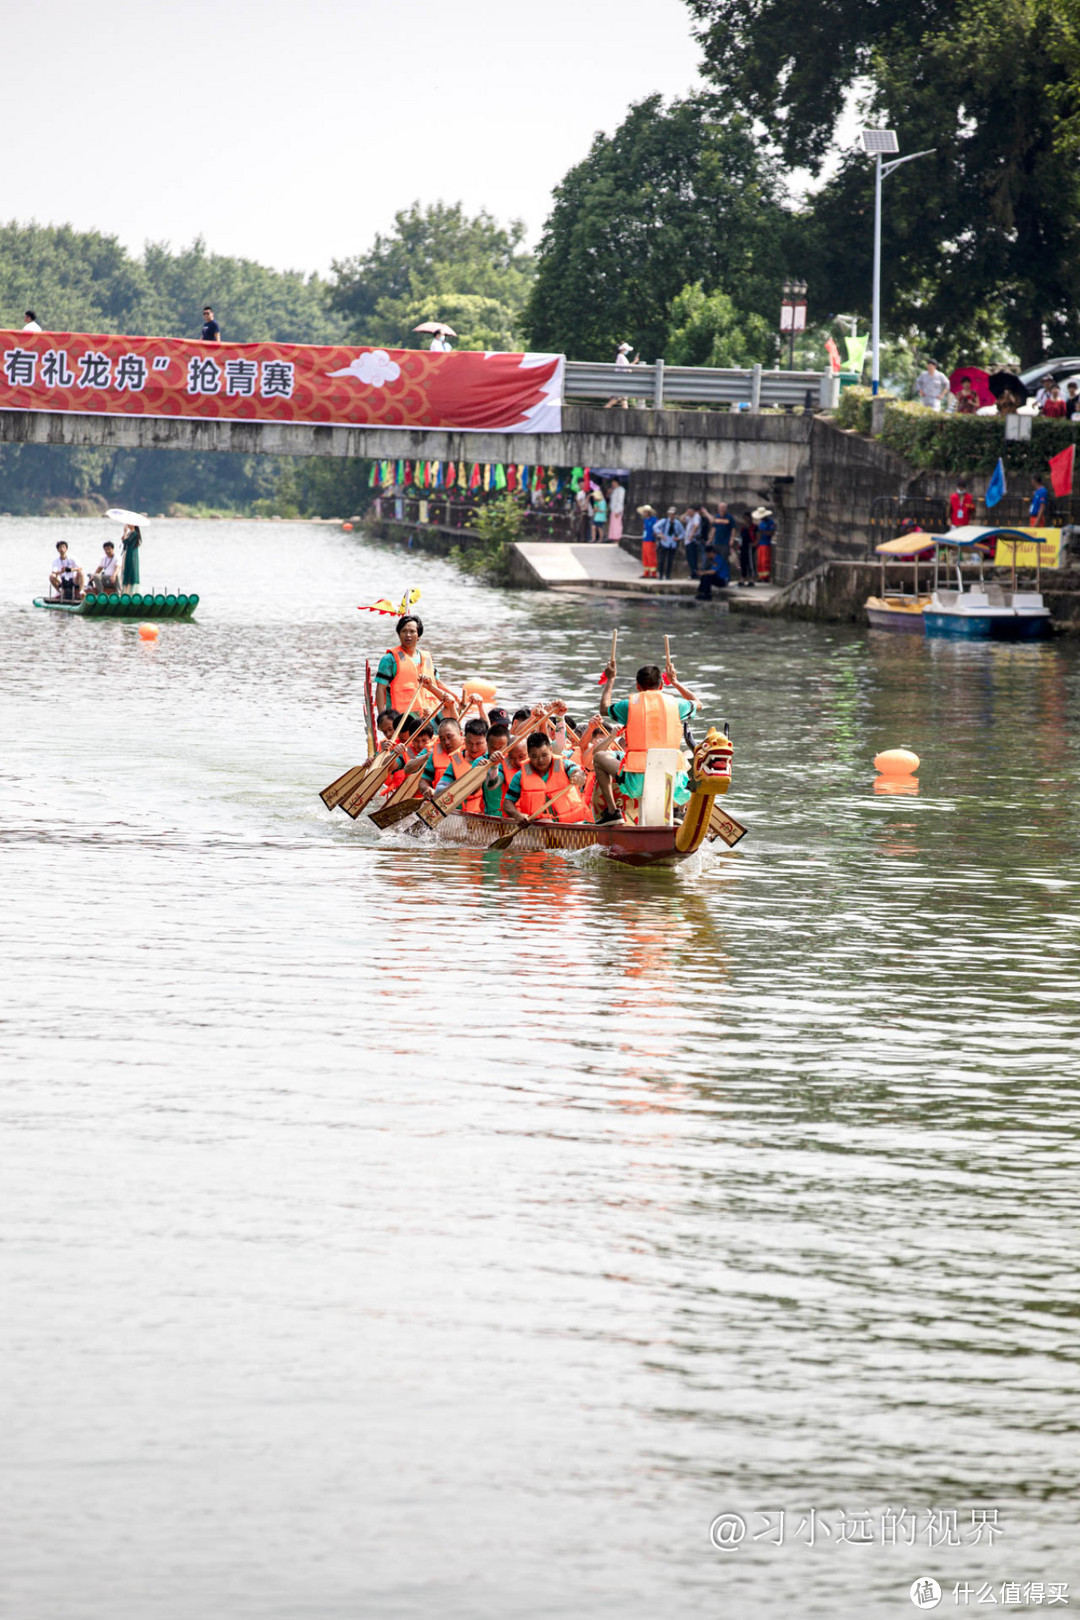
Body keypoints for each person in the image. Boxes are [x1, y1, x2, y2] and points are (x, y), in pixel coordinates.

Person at [594, 660, 698, 823]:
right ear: (662, 684)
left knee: (599, 757)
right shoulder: (676, 704)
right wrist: (676, 682)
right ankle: (679, 810)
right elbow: (698, 704)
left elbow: (604, 708)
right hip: (672, 780)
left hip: (637, 780)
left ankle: (613, 812)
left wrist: (611, 679)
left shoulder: (629, 705)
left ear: (637, 686)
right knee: (689, 754)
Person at [503, 732, 588, 823]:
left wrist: (579, 776)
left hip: (574, 823)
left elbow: (578, 772)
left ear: (550, 749)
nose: (540, 761)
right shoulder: (520, 776)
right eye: (535, 756)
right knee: (545, 822)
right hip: (539, 826)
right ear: (528, 754)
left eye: (544, 755)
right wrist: (517, 815)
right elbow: (507, 802)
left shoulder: (564, 765)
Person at [375, 614, 440, 718]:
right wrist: (382, 717)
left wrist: (454, 698)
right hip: (400, 719)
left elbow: (438, 684)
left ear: (418, 636)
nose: (408, 635)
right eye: (404, 631)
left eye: (412, 631)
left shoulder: (427, 658)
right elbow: (380, 688)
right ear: (399, 634)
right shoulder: (389, 659)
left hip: (427, 717)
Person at [432, 717, 492, 813]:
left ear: (487, 741)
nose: (473, 748)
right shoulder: (457, 759)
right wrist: (457, 788)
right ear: (464, 739)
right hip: (462, 814)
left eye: (478, 743)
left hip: (487, 815)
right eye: (469, 743)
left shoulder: (494, 759)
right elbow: (440, 788)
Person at [654, 507, 684, 580]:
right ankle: (660, 574)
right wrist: (660, 534)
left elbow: (683, 532)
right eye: (670, 514)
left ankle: (668, 575)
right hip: (664, 542)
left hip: (672, 543)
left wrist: (678, 538)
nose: (671, 515)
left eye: (673, 514)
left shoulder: (677, 523)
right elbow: (655, 527)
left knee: (670, 560)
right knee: (662, 560)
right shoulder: (664, 521)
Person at [606, 341, 636, 409]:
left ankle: (626, 416)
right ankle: (603, 411)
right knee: (617, 399)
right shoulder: (621, 357)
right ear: (623, 349)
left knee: (623, 399)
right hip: (621, 381)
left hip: (622, 381)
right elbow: (626, 368)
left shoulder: (621, 357)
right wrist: (634, 363)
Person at [752, 507, 775, 580]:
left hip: (766, 544)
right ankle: (761, 576)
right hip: (760, 544)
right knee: (760, 562)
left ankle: (766, 577)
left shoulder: (770, 522)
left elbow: (771, 533)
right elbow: (758, 534)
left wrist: (763, 532)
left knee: (765, 561)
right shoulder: (761, 523)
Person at [737, 510, 757, 586]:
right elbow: (740, 537)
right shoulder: (743, 528)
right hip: (743, 546)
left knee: (750, 562)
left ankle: (752, 578)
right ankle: (743, 577)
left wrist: (755, 543)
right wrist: (739, 546)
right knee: (743, 562)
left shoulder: (754, 527)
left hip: (750, 546)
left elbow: (758, 535)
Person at [638, 505, 659, 578]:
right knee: (645, 556)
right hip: (645, 539)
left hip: (651, 540)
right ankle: (646, 572)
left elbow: (657, 528)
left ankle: (653, 573)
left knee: (651, 556)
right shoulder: (645, 520)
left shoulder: (654, 520)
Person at [683, 506, 702, 580]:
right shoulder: (689, 517)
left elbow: (696, 525)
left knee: (693, 558)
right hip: (687, 541)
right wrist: (686, 513)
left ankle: (695, 573)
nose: (689, 513)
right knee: (689, 558)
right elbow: (682, 519)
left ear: (694, 511)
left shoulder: (696, 516)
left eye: (690, 512)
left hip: (693, 540)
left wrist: (691, 535)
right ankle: (693, 573)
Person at [120, 524, 141, 589]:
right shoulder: (130, 533)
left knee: (130, 570)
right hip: (127, 553)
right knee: (125, 570)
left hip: (131, 554)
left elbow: (126, 541)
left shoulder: (134, 533)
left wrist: (125, 532)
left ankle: (130, 590)